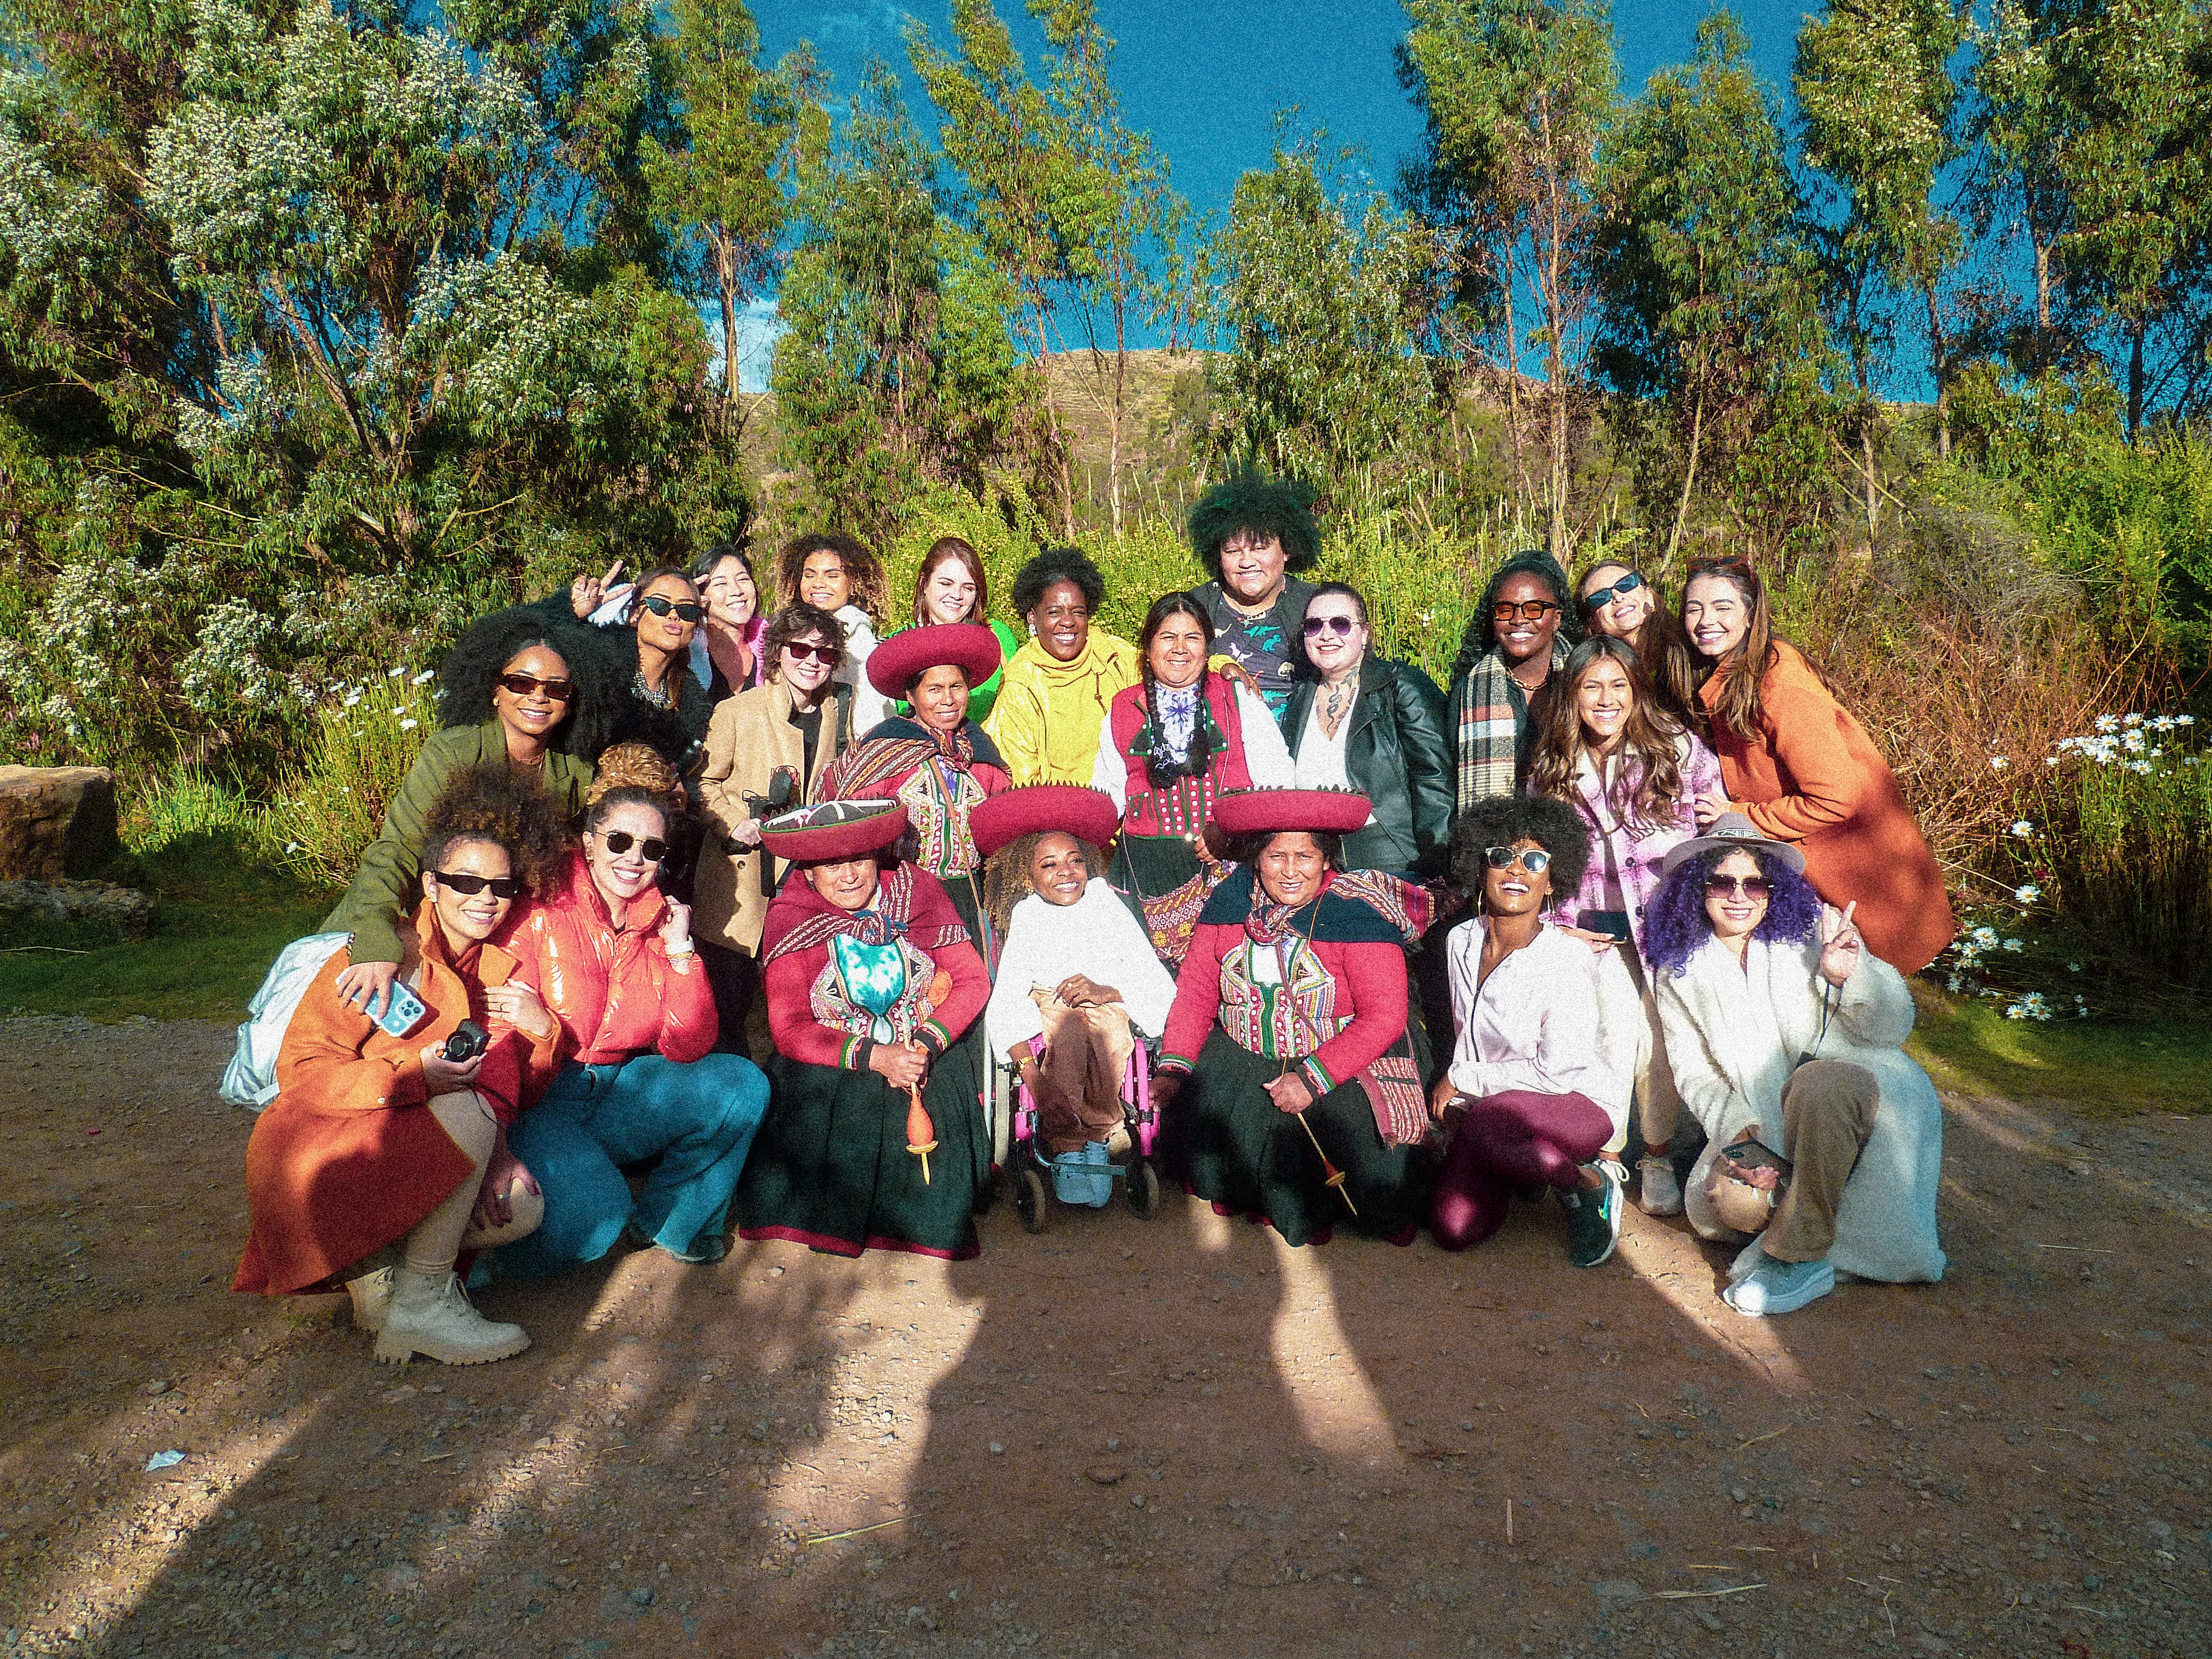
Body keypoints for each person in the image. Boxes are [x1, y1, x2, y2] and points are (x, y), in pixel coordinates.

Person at [236, 767, 566, 1365]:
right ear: (430, 886)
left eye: (502, 886)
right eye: (465, 881)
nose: (485, 898)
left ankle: (383, 1276)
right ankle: (426, 1305)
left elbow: (515, 1089)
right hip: (312, 1154)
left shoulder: (498, 975)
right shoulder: (379, 960)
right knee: (463, 1114)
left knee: (521, 1201)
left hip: (387, 1153)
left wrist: (544, 1036)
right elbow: (301, 1072)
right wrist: (415, 1076)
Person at [1643, 815, 1948, 1314]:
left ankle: (1795, 1257)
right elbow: (1694, 1072)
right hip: (1773, 1121)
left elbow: (1891, 1027)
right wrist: (1740, 1135)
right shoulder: (1680, 966)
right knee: (1734, 1205)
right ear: (1698, 887)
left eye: (1754, 882)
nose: (1738, 895)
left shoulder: (1816, 932)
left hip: (1860, 1098)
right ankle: (1823, 1246)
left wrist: (1850, 975)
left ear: (1772, 888)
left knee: (1818, 1083)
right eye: (1722, 881)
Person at [494, 750, 771, 1274]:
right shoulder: (539, 909)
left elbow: (685, 1046)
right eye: (619, 842)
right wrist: (495, 1136)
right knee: (592, 1228)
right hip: (541, 1098)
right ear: (590, 842)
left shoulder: (659, 921)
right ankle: (471, 1262)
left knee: (741, 1084)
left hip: (618, 1092)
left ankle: (674, 1221)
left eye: (651, 848)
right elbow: (497, 1031)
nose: (633, 859)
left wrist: (682, 952)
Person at [1153, 789, 1434, 1246]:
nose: (1289, 870)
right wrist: (1174, 1065)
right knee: (1206, 1099)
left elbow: (1384, 1017)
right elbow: (1197, 994)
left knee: (1345, 1142)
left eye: (1305, 856)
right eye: (1276, 855)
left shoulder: (1355, 915)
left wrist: (1311, 1079)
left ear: (1326, 861)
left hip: (1343, 1056)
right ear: (1256, 860)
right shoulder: (1229, 905)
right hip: (1246, 1050)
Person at [735, 800, 994, 1259]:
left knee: (940, 1083)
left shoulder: (917, 893)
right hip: (835, 1053)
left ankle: (927, 1217)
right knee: (841, 1093)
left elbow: (972, 979)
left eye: (858, 860)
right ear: (808, 872)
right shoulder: (791, 915)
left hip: (919, 1043)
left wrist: (926, 1042)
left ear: (878, 855)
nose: (849, 875)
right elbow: (791, 1028)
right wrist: (876, 1057)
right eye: (831, 865)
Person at [325, 605, 608, 1019]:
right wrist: (376, 938)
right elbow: (398, 849)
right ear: (494, 690)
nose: (538, 696)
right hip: (424, 923)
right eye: (520, 682)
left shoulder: (575, 775)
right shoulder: (453, 753)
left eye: (556, 688)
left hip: (500, 935)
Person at [1682, 556, 1955, 973]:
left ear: (1752, 615)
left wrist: (1740, 816)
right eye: (1694, 608)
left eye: (1723, 607)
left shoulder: (1778, 686)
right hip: (1824, 866)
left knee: (1855, 1005)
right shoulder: (1737, 676)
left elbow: (1834, 797)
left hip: (1853, 868)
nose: (1706, 620)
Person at [1526, 634, 1722, 1216]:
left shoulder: (1677, 750)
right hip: (1593, 925)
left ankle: (1657, 1154)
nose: (1605, 700)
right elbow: (1540, 851)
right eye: (1591, 687)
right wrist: (1556, 924)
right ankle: (1607, 1151)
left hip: (1666, 921)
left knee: (1661, 1039)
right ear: (1573, 695)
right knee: (1612, 1035)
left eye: (1618, 686)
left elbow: (1717, 830)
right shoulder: (1552, 761)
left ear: (1637, 692)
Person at [1426, 796, 1637, 1266]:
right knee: (1452, 1229)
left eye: (1535, 860)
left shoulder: (1566, 959)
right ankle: (1521, 1170)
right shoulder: (1459, 941)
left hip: (1574, 1104)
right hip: (1493, 1111)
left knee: (1489, 1124)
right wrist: (1465, 1095)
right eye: (1502, 856)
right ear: (1481, 868)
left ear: (1550, 882)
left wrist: (1463, 1079)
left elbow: (1557, 1073)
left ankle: (1591, 1185)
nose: (1516, 870)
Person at [977, 786, 1174, 1207]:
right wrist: (1033, 1078)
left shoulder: (1106, 904)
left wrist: (1109, 991)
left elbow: (1147, 972)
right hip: (1049, 999)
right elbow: (1009, 993)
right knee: (1067, 1035)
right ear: (1028, 877)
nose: (1065, 872)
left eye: (1074, 861)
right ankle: (1067, 1141)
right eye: (1049, 865)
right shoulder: (1028, 915)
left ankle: (1099, 1132)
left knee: (1111, 1033)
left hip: (1106, 999)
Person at [1093, 594, 1295, 964]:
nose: (1179, 649)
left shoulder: (1236, 697)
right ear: (1148, 648)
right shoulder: (1123, 708)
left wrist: (1232, 829)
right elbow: (1108, 795)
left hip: (1227, 861)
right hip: (1147, 873)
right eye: (1168, 637)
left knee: (1233, 972)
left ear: (1207, 649)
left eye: (1193, 638)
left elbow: (1278, 780)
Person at [693, 603, 857, 1059]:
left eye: (823, 654)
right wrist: (733, 825)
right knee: (730, 1014)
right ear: (778, 653)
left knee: (793, 1010)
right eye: (800, 649)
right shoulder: (736, 711)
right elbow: (701, 783)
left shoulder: (837, 712)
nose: (811, 662)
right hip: (740, 885)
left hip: (802, 883)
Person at [820, 623, 1012, 945]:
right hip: (902, 899)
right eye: (934, 689)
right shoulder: (884, 750)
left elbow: (1002, 831)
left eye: (957, 687)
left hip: (973, 899)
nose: (948, 699)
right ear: (911, 695)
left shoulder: (981, 751)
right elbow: (849, 831)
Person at [1279, 581, 1453, 881]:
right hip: (1318, 862)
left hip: (1393, 855)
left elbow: (1434, 780)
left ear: (1365, 634)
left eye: (1341, 624)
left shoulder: (1399, 687)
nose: (1326, 635)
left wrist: (1440, 871)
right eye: (1313, 626)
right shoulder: (1299, 698)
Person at [984, 545, 1142, 786]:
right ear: (1032, 618)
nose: (1068, 622)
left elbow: (1172, 669)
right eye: (1055, 612)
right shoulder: (1021, 683)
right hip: (1056, 816)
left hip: (1129, 811)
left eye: (1078, 612)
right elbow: (1021, 783)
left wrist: (1219, 665)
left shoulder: (1115, 657)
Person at [1447, 550, 1578, 811]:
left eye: (1534, 609)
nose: (1519, 620)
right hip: (1494, 842)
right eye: (1505, 610)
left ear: (1557, 619)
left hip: (1576, 834)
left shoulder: (1584, 680)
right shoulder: (1469, 692)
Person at [1185, 468, 1321, 717]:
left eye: (1260, 548)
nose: (1247, 562)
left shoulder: (1316, 606)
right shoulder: (1195, 607)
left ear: (1287, 551)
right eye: (1233, 552)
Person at [556, 561, 716, 774]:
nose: (674, 615)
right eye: (660, 605)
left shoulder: (691, 702)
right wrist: (568, 612)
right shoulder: (596, 666)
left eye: (687, 610)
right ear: (633, 615)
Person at [893, 536, 1023, 723]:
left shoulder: (999, 637)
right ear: (924, 583)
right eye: (946, 584)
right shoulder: (898, 646)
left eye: (968, 588)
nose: (957, 595)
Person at [779, 531, 891, 738]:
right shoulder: (792, 632)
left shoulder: (858, 640)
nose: (818, 583)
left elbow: (870, 717)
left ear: (854, 583)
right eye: (809, 575)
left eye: (832, 576)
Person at [1575, 560, 1700, 727]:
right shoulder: (1592, 677)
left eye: (1627, 584)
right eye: (1601, 597)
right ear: (1592, 622)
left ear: (1649, 594)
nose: (1618, 597)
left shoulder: (1693, 649)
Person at [688, 543, 767, 701]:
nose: (737, 591)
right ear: (700, 597)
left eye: (743, 579)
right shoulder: (685, 653)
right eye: (721, 583)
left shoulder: (774, 649)